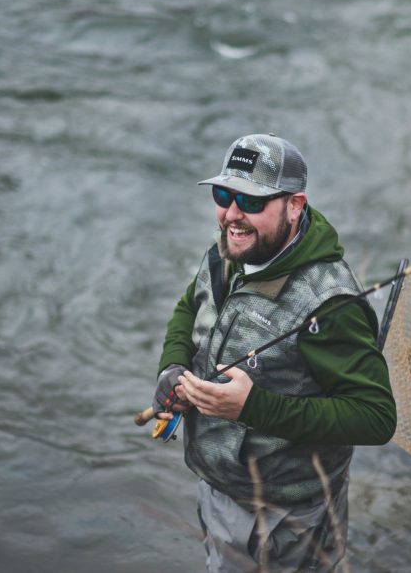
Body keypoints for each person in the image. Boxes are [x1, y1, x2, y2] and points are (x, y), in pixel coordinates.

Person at [152, 133, 397, 572]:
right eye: (223, 194)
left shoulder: (331, 304)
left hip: (286, 517)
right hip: (220, 486)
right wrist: (172, 366)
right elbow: (189, 307)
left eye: (250, 201)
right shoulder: (231, 248)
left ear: (295, 205)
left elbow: (376, 417)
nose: (231, 214)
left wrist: (254, 406)